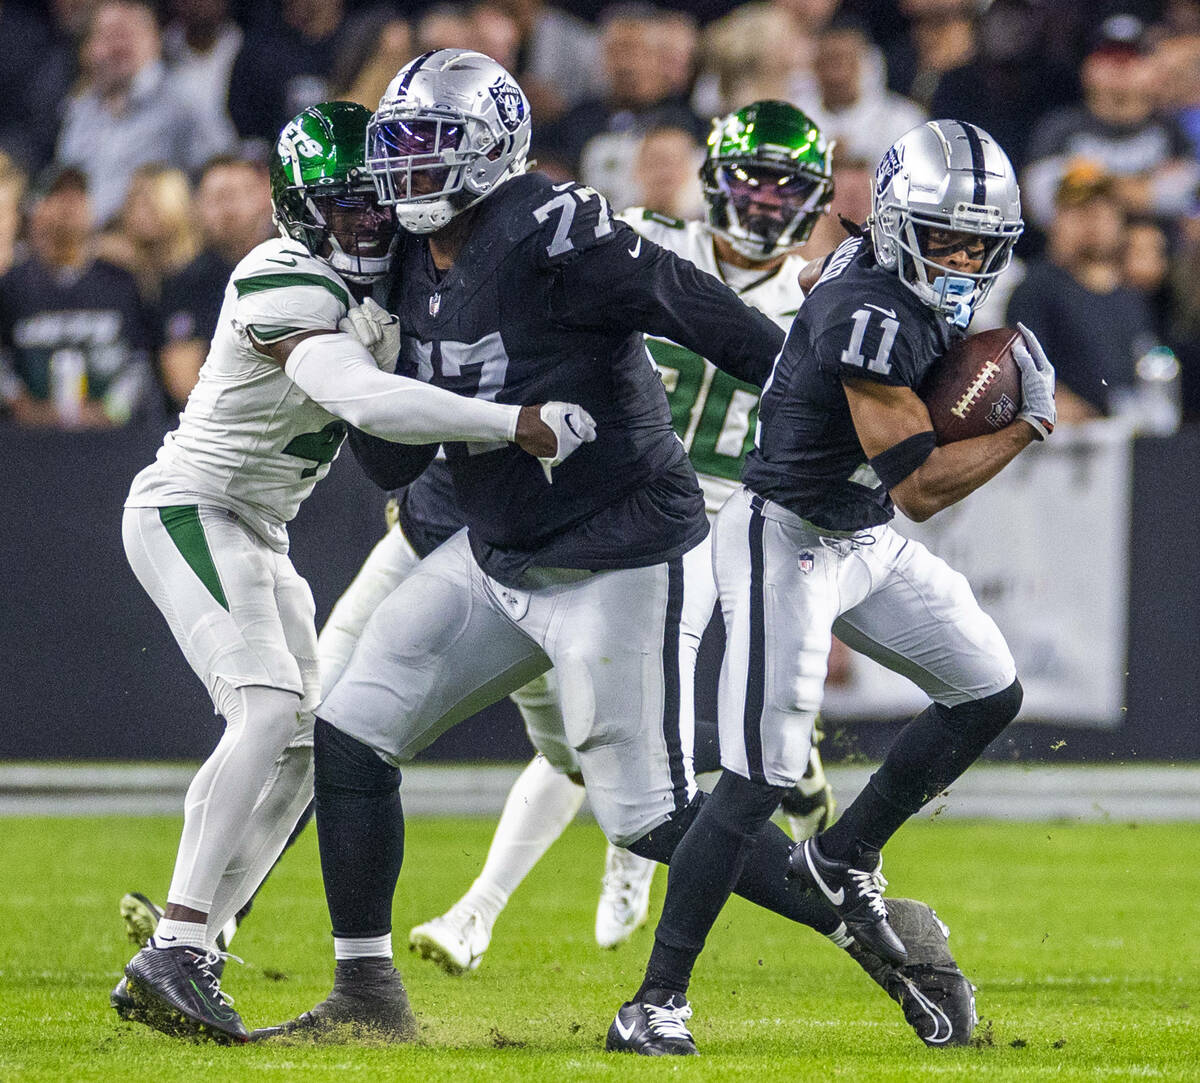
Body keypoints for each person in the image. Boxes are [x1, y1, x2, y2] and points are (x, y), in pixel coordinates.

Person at [255, 51, 980, 1050]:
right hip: (498, 547)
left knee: (649, 818)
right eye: (398, 147)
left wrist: (818, 398)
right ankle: (366, 995)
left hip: (619, 553)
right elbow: (384, 465)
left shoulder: (554, 228)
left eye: (432, 146)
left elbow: (694, 306)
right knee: (350, 730)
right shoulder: (396, 262)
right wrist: (374, 359)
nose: (409, 170)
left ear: (493, 152)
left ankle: (878, 933)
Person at [111, 99, 592, 1046]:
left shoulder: (379, 284)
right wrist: (512, 422)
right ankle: (173, 940)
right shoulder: (281, 273)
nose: (369, 225)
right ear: (299, 208)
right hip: (190, 507)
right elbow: (361, 397)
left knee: (309, 739)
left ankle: (198, 939)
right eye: (347, 208)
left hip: (262, 527)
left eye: (378, 204)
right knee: (261, 705)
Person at [607, 119, 1053, 1056]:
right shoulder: (872, 311)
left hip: (860, 531)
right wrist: (1024, 425)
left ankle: (844, 854)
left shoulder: (876, 279)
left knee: (988, 688)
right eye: (945, 238)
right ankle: (653, 1000)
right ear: (899, 227)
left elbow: (828, 279)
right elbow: (923, 486)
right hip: (788, 530)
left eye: (981, 243)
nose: (965, 259)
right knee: (758, 776)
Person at [405, 99, 838, 973]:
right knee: (599, 719)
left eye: (783, 186)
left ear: (816, 196)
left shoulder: (822, 299)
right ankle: (503, 901)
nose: (760, 202)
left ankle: (750, 828)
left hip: (726, 515)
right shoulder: (640, 240)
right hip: (618, 496)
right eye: (749, 180)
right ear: (712, 179)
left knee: (642, 724)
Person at [0, 167, 155, 430]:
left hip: (112, 439)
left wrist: (112, 410)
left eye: (78, 197)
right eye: (57, 196)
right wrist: (23, 407)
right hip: (27, 439)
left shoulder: (121, 283)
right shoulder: (12, 286)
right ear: (36, 211)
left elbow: (140, 362)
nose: (68, 207)